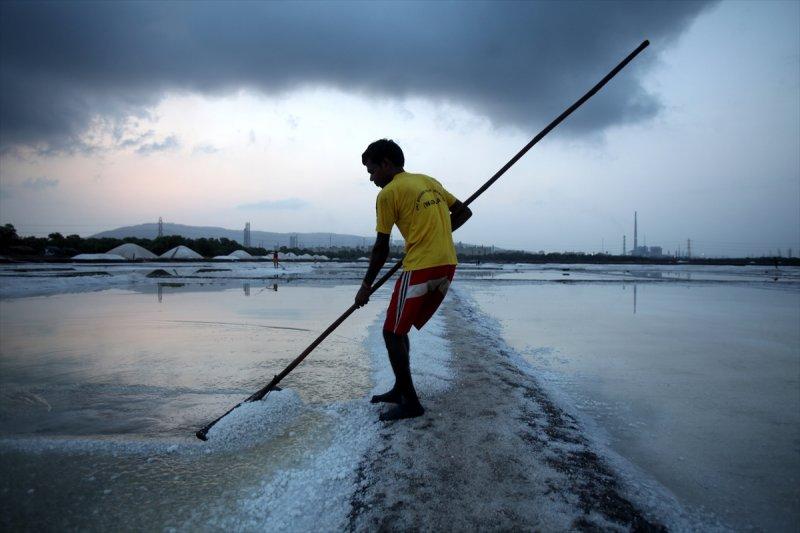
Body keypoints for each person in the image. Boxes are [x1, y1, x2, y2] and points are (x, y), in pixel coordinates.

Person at [355, 139, 472, 421]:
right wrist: (435, 232)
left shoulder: (388, 194)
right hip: (446, 264)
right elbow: (464, 212)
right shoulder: (427, 180)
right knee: (399, 328)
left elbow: (381, 247)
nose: (371, 179)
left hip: (422, 266)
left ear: (385, 163)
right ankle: (400, 388)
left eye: (372, 171)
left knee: (391, 332)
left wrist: (366, 286)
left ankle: (411, 403)